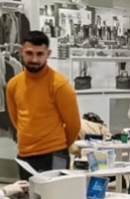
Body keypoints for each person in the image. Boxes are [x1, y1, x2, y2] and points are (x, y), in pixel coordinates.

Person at [7, 31, 81, 178]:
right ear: (21, 51)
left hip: (56, 154)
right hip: (25, 155)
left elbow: (73, 125)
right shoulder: (13, 85)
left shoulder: (59, 85)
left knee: (56, 193)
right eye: (29, 53)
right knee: (28, 193)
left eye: (40, 54)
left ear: (48, 54)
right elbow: (16, 119)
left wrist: (58, 145)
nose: (34, 59)